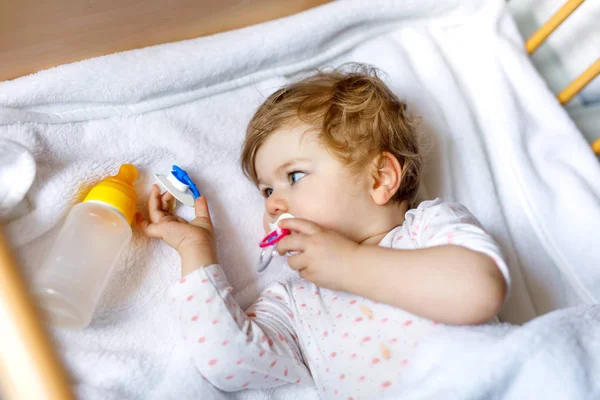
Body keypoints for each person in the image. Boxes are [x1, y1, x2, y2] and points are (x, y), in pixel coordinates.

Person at [137, 65, 509, 399]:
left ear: (379, 178)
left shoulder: (427, 228)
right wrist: (196, 251)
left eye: (294, 176)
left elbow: (481, 290)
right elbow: (228, 362)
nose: (272, 204)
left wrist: (349, 264)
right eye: (266, 190)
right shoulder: (295, 301)